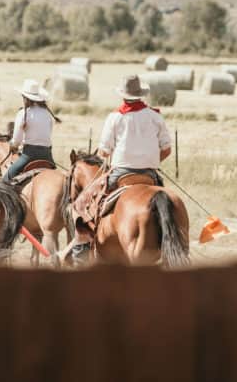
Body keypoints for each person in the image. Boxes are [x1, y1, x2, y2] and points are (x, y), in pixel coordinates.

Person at [68, 75, 172, 263]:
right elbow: (167, 149)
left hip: (121, 174)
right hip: (150, 175)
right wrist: (151, 161)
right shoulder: (155, 116)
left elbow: (104, 152)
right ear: (141, 94)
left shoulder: (115, 117)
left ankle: (82, 250)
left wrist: (105, 152)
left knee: (82, 203)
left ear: (123, 95)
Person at [2, 79, 59, 181]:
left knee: (6, 180)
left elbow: (16, 141)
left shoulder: (23, 114)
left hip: (29, 156)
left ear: (25, 98)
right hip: (47, 156)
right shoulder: (47, 114)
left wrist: (12, 145)